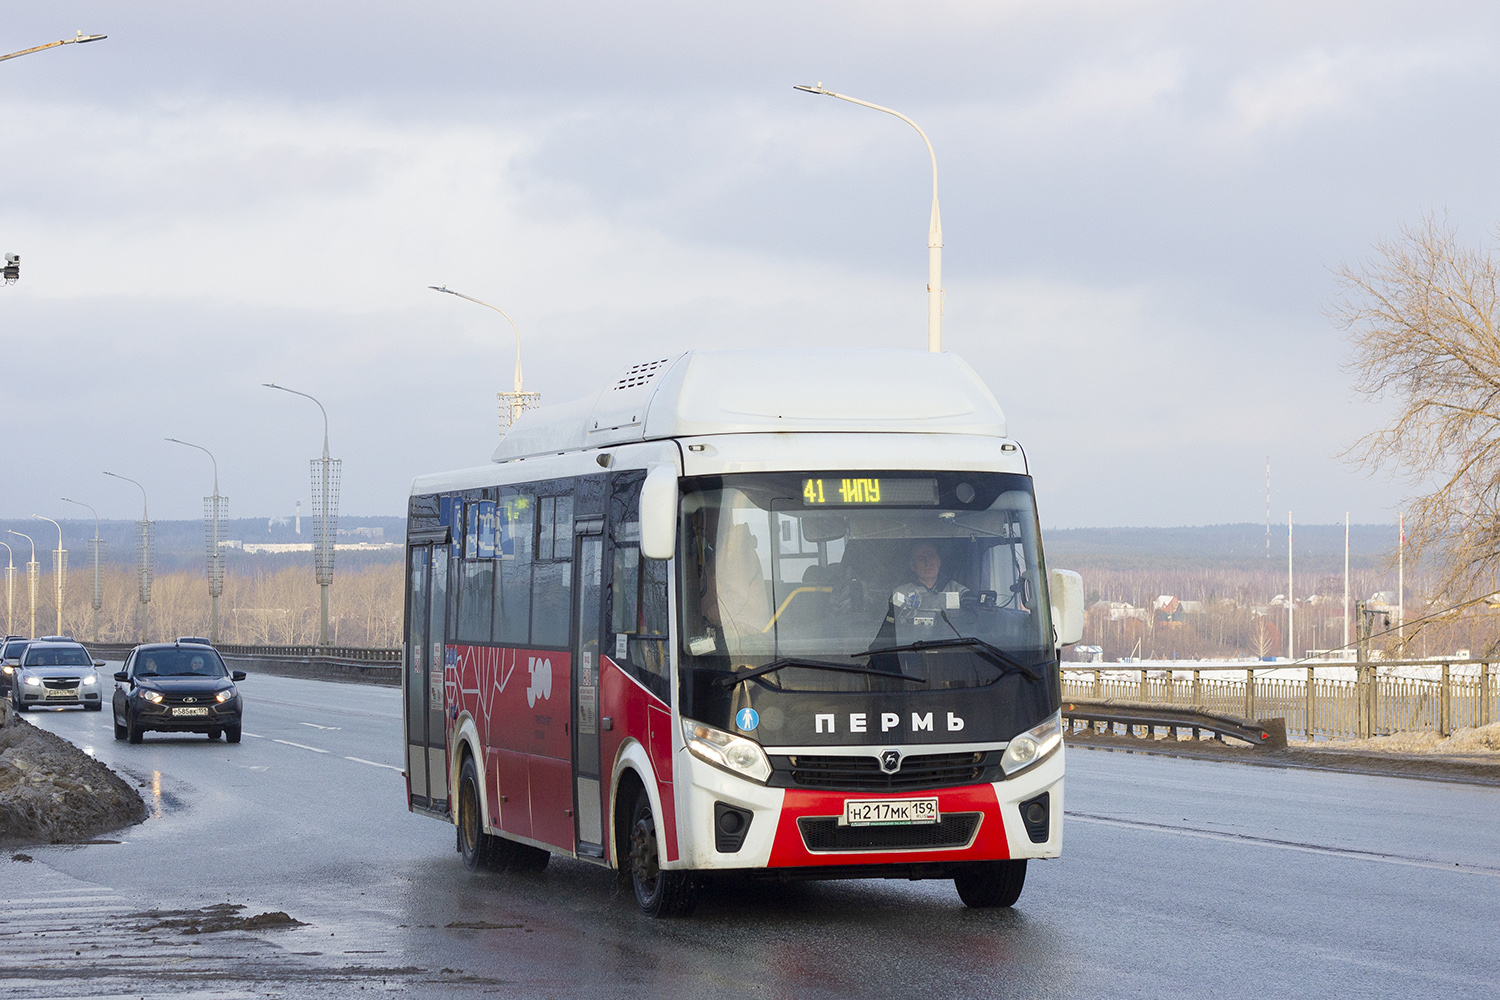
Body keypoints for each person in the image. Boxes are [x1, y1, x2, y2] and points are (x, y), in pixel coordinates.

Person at [891, 542, 967, 613]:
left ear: (939, 562)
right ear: (913, 565)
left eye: (932, 556)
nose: (928, 562)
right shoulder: (900, 593)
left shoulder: (955, 589)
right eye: (921, 558)